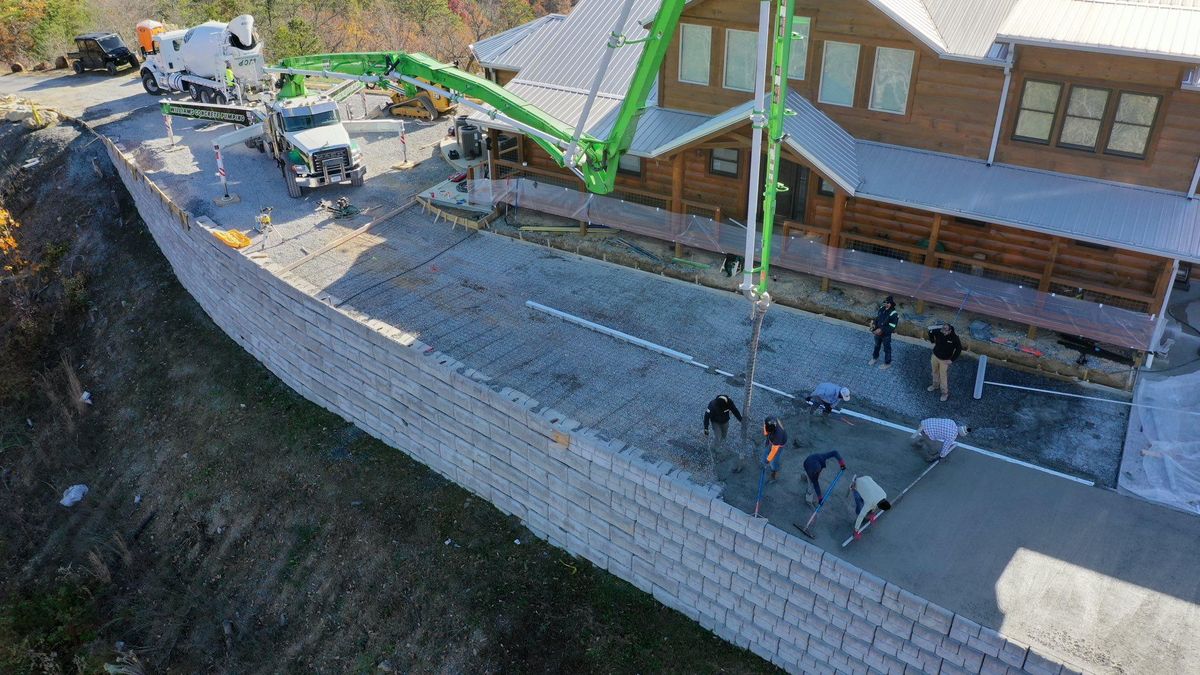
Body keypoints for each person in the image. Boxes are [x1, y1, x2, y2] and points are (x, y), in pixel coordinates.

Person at [927, 323, 963, 402]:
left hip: (945, 360)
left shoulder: (955, 338)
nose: (943, 332)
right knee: (934, 372)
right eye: (942, 330)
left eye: (945, 331)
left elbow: (959, 349)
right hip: (935, 356)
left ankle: (944, 393)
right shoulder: (939, 331)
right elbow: (930, 332)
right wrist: (932, 340)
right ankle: (935, 385)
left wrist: (952, 360)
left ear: (950, 330)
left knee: (943, 376)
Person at [850, 476, 891, 540]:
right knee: (859, 504)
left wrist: (872, 513)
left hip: (867, 478)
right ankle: (857, 512)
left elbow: (877, 503)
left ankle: (869, 512)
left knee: (866, 501)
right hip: (856, 484)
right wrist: (856, 531)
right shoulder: (870, 503)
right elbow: (861, 516)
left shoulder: (884, 495)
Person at [869, 296, 900, 369]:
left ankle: (887, 363)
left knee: (887, 348)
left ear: (891, 304)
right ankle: (874, 358)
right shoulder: (881, 309)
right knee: (876, 345)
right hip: (878, 333)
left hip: (886, 334)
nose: (886, 304)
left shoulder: (894, 314)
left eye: (888, 303)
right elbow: (877, 319)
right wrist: (874, 326)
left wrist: (881, 330)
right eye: (885, 303)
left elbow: (892, 326)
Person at [761, 417, 787, 483]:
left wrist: (768, 460)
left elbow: (773, 451)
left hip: (779, 445)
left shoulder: (778, 435)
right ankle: (765, 465)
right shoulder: (768, 419)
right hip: (771, 440)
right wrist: (767, 437)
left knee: (774, 461)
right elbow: (765, 428)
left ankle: (774, 475)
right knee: (765, 452)